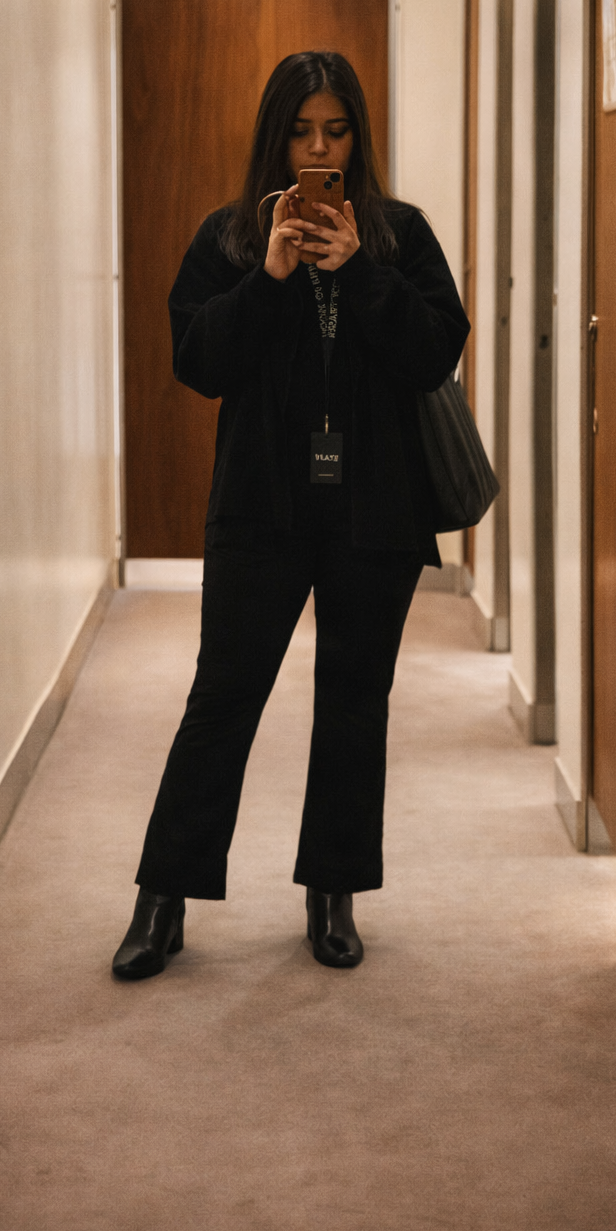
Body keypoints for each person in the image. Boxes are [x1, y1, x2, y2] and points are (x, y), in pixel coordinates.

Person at [112, 50, 468, 980]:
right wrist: (269, 278)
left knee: (353, 701)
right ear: (276, 139)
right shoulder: (230, 237)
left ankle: (332, 893)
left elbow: (435, 351)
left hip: (374, 513)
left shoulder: (399, 235)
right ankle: (163, 897)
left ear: (357, 138)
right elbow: (199, 362)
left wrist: (362, 273)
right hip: (259, 510)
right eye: (302, 132)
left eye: (335, 132)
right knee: (223, 696)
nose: (319, 149)